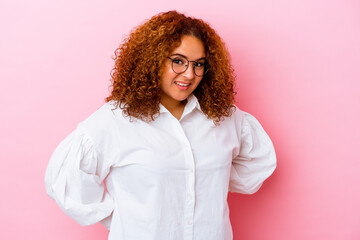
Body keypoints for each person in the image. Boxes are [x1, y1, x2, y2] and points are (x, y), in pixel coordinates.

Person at [45, 10, 276, 240]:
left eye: (198, 64)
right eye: (178, 61)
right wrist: (122, 217)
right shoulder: (116, 119)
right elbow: (67, 181)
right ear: (152, 59)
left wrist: (201, 179)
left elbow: (257, 164)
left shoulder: (225, 118)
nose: (189, 74)